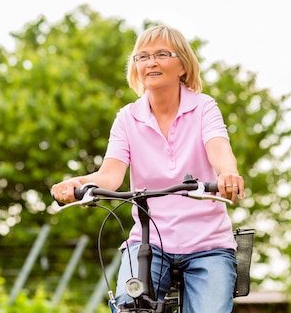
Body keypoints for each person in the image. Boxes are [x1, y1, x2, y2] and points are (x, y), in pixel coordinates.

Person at [51, 25, 245, 313]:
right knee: (129, 307)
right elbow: (110, 175)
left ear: (182, 65)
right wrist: (76, 183)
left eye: (161, 54)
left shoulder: (204, 107)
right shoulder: (127, 118)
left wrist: (227, 174)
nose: (150, 62)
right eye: (141, 57)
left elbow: (219, 149)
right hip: (150, 242)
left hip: (208, 245)